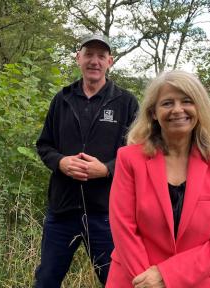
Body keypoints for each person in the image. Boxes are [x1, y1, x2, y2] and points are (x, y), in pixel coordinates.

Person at [106, 71, 210, 288]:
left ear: (199, 108)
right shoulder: (129, 158)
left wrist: (167, 276)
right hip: (135, 280)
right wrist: (148, 282)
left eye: (187, 101)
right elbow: (123, 228)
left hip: (200, 281)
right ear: (153, 113)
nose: (178, 110)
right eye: (167, 103)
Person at [35, 34, 139, 287]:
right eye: (89, 54)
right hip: (62, 210)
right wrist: (61, 162)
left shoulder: (126, 102)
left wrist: (105, 169)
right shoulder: (62, 99)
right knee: (46, 280)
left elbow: (138, 152)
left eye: (101, 56)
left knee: (116, 281)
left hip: (106, 212)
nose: (95, 61)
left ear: (110, 61)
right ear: (78, 58)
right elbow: (44, 145)